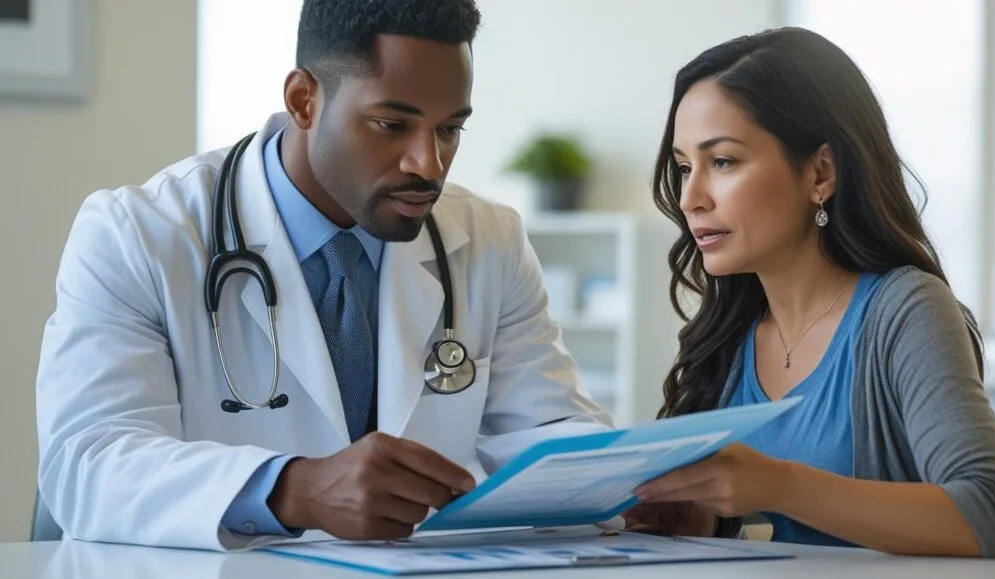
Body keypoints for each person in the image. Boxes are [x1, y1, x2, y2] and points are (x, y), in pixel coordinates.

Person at [34, 0, 612, 551]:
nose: (428, 164)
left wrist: (621, 483)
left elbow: (556, 434)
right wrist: (294, 490)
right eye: (391, 124)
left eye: (449, 130)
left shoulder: (492, 239)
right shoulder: (138, 234)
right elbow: (88, 464)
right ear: (304, 100)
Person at [623, 27, 995, 557]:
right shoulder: (728, 335)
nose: (691, 197)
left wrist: (780, 486)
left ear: (820, 172)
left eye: (723, 162)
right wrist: (698, 513)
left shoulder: (905, 310)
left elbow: (986, 515)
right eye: (684, 167)